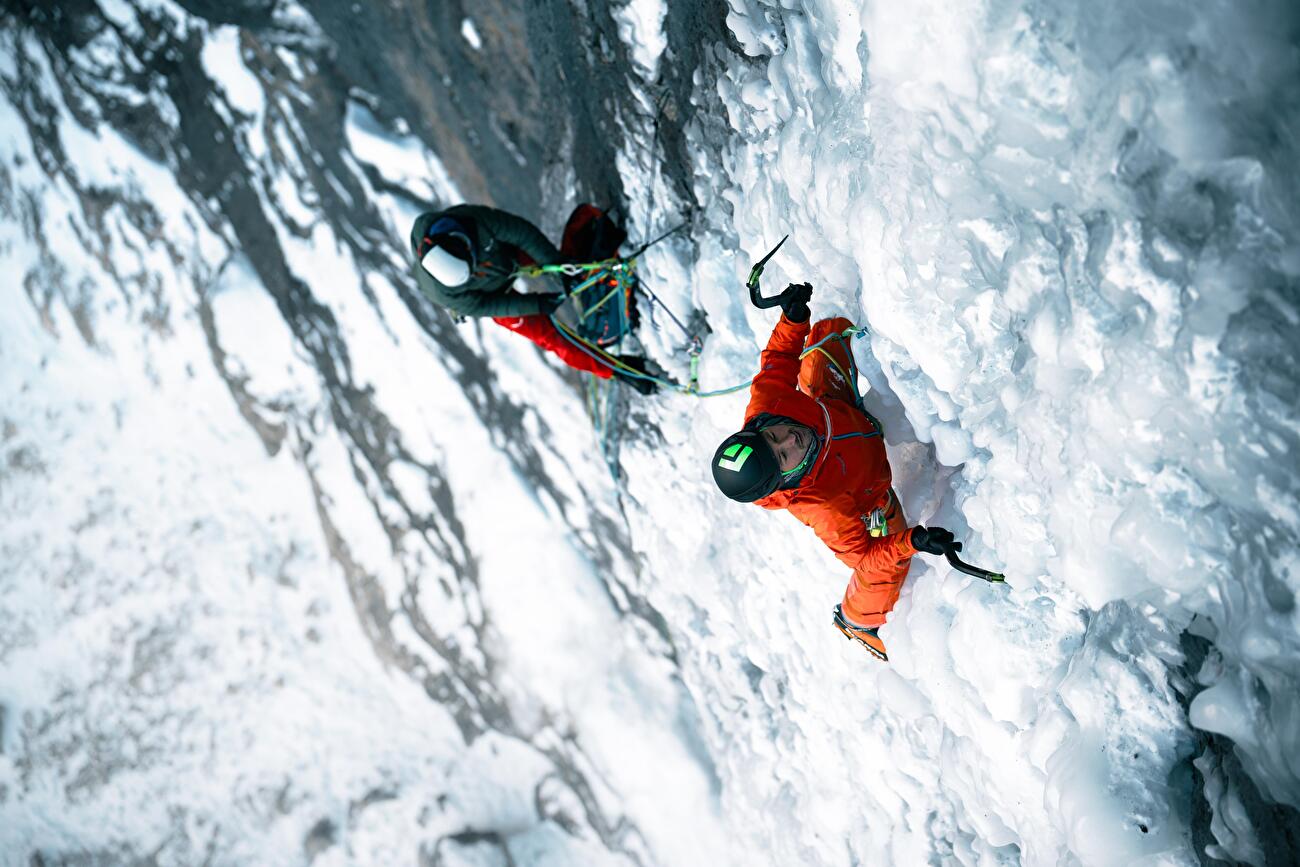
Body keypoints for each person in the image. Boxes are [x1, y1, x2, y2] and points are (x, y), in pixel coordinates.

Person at [710, 282, 956, 661]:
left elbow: (778, 359)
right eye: (784, 456)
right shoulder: (824, 508)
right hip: (872, 494)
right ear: (784, 479)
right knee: (885, 567)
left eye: (773, 436)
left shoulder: (768, 405)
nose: (789, 440)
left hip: (837, 412)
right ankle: (857, 620)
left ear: (758, 427)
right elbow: (864, 556)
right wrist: (914, 541)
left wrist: (793, 319)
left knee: (826, 333)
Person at [409, 203, 657, 393]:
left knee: (567, 269)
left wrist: (557, 266)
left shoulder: (469, 220)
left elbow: (521, 233)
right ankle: (619, 369)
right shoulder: (444, 292)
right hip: (492, 295)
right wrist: (536, 304)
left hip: (507, 255)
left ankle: (589, 266)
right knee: (554, 339)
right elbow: (487, 304)